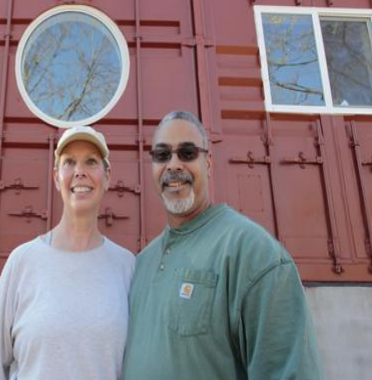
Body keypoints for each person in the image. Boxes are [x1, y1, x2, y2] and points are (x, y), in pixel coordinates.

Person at [122, 111, 323, 380]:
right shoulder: (142, 262)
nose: (173, 165)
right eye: (162, 155)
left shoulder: (252, 252)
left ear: (209, 163)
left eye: (187, 153)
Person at [0, 125, 135, 380]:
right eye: (69, 162)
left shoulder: (127, 266)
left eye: (91, 162)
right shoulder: (23, 262)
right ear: (57, 177)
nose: (80, 172)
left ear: (108, 176)